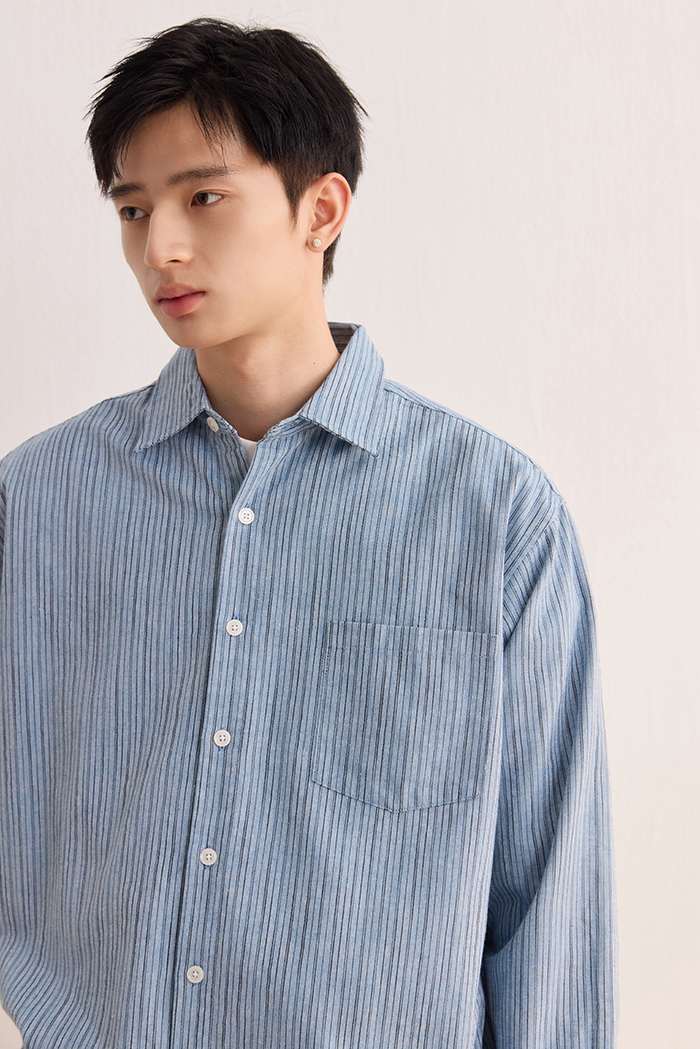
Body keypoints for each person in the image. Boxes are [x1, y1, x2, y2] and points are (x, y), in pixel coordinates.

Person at [0, 17, 617, 1048]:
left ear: (320, 210)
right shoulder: (37, 501)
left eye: (203, 197)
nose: (160, 248)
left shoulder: (495, 516)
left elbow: (549, 895)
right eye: (132, 208)